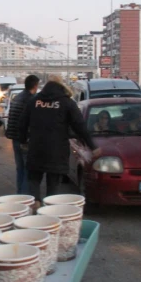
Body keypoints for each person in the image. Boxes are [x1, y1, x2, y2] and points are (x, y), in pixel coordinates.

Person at [19, 75, 101, 206]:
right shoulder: (67, 102)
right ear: (61, 86)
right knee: (53, 184)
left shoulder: (34, 101)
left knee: (33, 179)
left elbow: (22, 123)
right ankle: (49, 209)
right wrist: (92, 146)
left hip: (36, 149)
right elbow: (80, 125)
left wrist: (23, 141)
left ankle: (36, 201)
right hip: (56, 151)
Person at [5, 74, 39, 194]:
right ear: (35, 85)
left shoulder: (17, 98)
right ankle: (25, 197)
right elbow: (31, 122)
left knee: (20, 169)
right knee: (27, 170)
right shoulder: (31, 100)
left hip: (15, 138)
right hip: (25, 139)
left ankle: (19, 194)